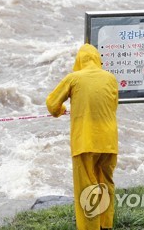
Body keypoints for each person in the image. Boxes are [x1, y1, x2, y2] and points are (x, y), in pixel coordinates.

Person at [46, 43, 118, 230]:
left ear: (79, 61)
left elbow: (52, 105)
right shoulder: (111, 78)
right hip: (109, 142)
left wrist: (62, 110)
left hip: (85, 142)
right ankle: (105, 225)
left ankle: (90, 227)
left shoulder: (74, 78)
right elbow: (112, 105)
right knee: (105, 183)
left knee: (87, 187)